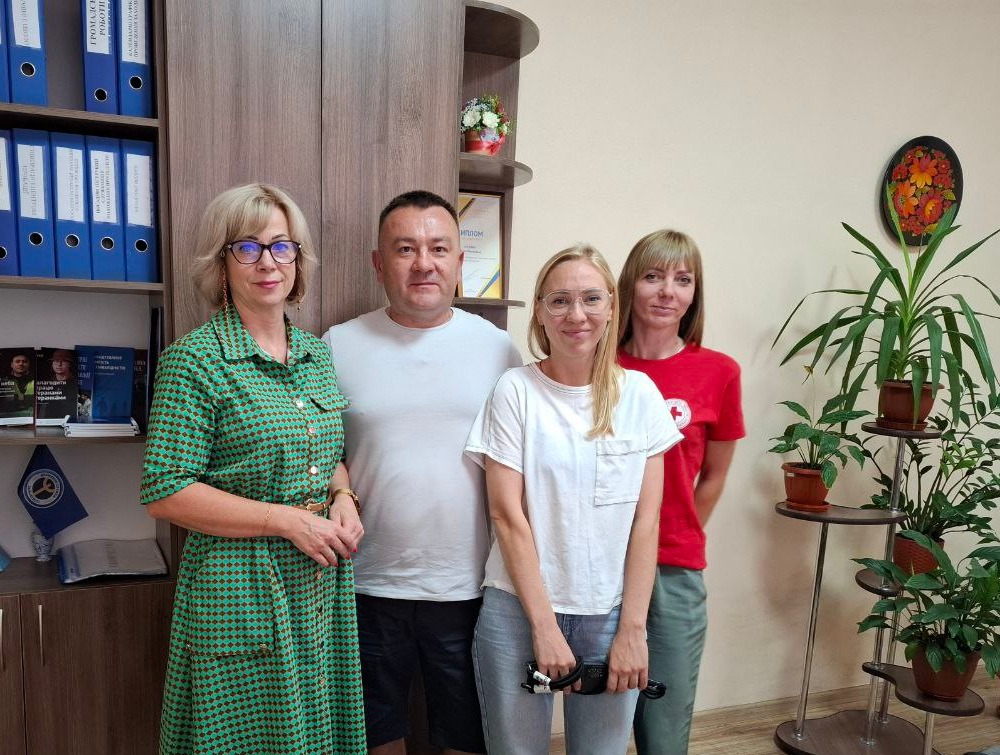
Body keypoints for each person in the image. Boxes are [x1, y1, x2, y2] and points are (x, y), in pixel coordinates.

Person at [140, 183, 366, 754]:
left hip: (319, 579)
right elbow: (164, 492)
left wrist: (343, 498)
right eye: (248, 247)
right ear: (221, 264)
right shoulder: (194, 361)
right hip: (238, 584)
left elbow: (325, 455)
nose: (268, 262)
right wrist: (285, 520)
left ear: (298, 260)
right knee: (250, 739)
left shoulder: (316, 355)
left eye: (282, 246)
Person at [322, 190, 521, 755]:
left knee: (466, 734)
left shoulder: (498, 349)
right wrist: (339, 492)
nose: (423, 263)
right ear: (379, 263)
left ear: (460, 261)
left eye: (438, 248)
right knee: (375, 732)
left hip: (468, 585)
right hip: (364, 581)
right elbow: (320, 448)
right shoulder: (338, 344)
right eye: (405, 248)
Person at [465, 244, 683, 755]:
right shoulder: (515, 391)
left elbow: (646, 522)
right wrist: (543, 627)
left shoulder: (640, 395)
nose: (576, 315)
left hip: (609, 614)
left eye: (590, 298)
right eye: (559, 301)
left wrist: (632, 630)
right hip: (517, 610)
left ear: (611, 307)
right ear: (540, 313)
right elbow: (507, 516)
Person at [617, 230, 745, 755]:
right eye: (653, 276)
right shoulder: (599, 366)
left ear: (695, 293)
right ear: (630, 284)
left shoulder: (719, 372)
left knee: (664, 724)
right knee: (599, 715)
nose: (667, 291)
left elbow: (713, 475)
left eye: (682, 279)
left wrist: (676, 529)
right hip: (599, 562)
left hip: (673, 564)